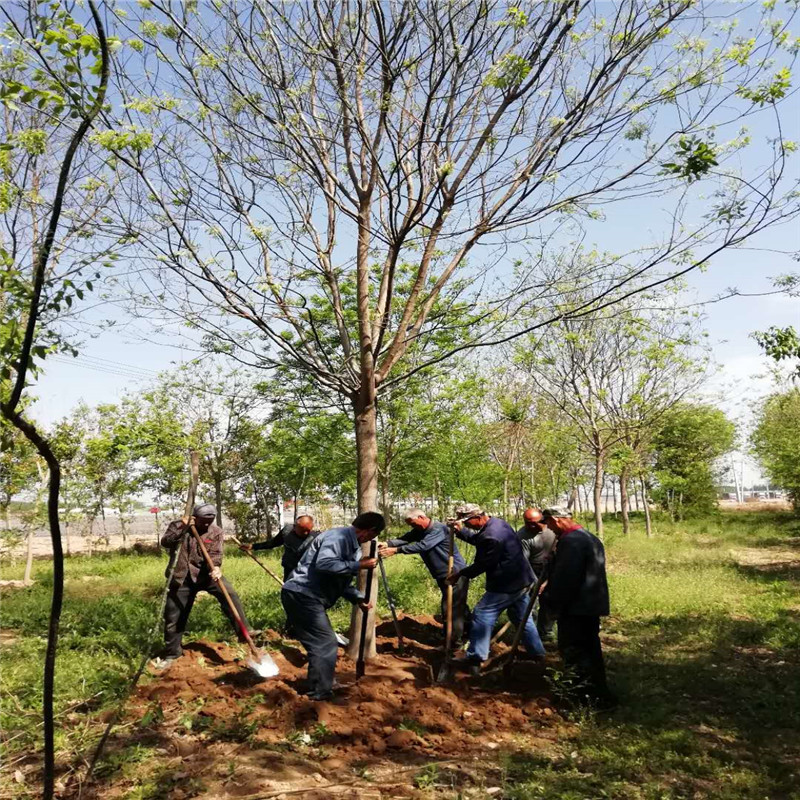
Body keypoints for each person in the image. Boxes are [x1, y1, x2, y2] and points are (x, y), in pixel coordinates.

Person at [281, 512, 385, 701]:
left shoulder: (352, 544)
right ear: (369, 532)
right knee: (325, 643)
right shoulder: (339, 537)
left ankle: (321, 684)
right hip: (302, 594)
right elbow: (325, 564)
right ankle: (319, 694)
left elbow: (340, 578)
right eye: (372, 536)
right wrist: (358, 565)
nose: (370, 540)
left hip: (307, 596)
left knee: (320, 643)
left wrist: (358, 598)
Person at [446, 504, 545, 673]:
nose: (467, 525)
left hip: (507, 584)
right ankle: (538, 654)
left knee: (482, 614)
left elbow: (484, 563)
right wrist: (460, 531)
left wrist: (459, 574)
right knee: (522, 618)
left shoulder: (492, 535)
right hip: (521, 579)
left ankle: (475, 658)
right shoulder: (497, 523)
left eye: (467, 522)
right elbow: (480, 540)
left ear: (477, 518)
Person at [539, 507, 616, 708]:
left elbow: (567, 580)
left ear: (557, 520)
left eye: (548, 523)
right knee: (591, 650)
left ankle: (580, 697)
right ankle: (599, 694)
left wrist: (551, 600)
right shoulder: (589, 537)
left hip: (576, 608)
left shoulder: (571, 542)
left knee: (574, 652)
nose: (547, 527)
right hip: (590, 604)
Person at [158, 503, 252, 666]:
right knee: (174, 615)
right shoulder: (178, 525)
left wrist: (215, 567)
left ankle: (244, 632)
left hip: (206, 575)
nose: (207, 524)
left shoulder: (216, 531)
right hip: (181, 576)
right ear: (195, 517)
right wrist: (183, 527)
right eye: (203, 521)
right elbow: (166, 542)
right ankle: (172, 653)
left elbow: (216, 553)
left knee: (229, 594)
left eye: (210, 520)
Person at [379, 509, 470, 644]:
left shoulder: (439, 529)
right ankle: (469, 631)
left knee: (451, 606)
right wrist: (388, 544)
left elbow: (424, 545)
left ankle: (454, 641)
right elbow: (406, 539)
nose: (412, 527)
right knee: (458, 604)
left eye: (413, 523)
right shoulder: (420, 530)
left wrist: (397, 551)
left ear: (421, 517)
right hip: (442, 574)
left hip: (454, 572)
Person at [517, 507, 557, 640]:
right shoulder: (523, 535)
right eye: (527, 522)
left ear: (542, 520)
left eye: (534, 522)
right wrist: (535, 583)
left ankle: (546, 632)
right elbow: (523, 562)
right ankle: (531, 635)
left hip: (552, 568)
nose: (530, 526)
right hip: (530, 570)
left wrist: (547, 581)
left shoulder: (553, 529)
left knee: (549, 602)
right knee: (530, 604)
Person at [240, 515, 319, 581]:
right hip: (289, 569)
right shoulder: (287, 532)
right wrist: (253, 546)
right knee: (289, 594)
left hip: (306, 573)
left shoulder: (316, 539)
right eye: (302, 530)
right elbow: (273, 543)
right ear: (295, 527)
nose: (305, 533)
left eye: (308, 531)